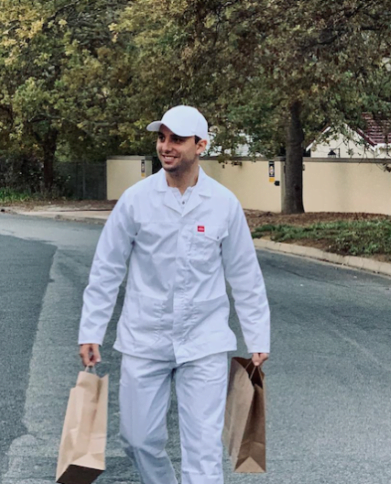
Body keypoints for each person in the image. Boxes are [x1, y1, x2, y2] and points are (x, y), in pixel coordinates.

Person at [78, 105, 270, 484]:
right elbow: (107, 268)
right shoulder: (136, 200)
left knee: (203, 450)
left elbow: (244, 274)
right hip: (144, 338)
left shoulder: (223, 204)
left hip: (203, 342)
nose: (166, 147)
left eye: (177, 139)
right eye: (162, 137)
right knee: (138, 440)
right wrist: (91, 330)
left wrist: (257, 336)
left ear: (201, 145)